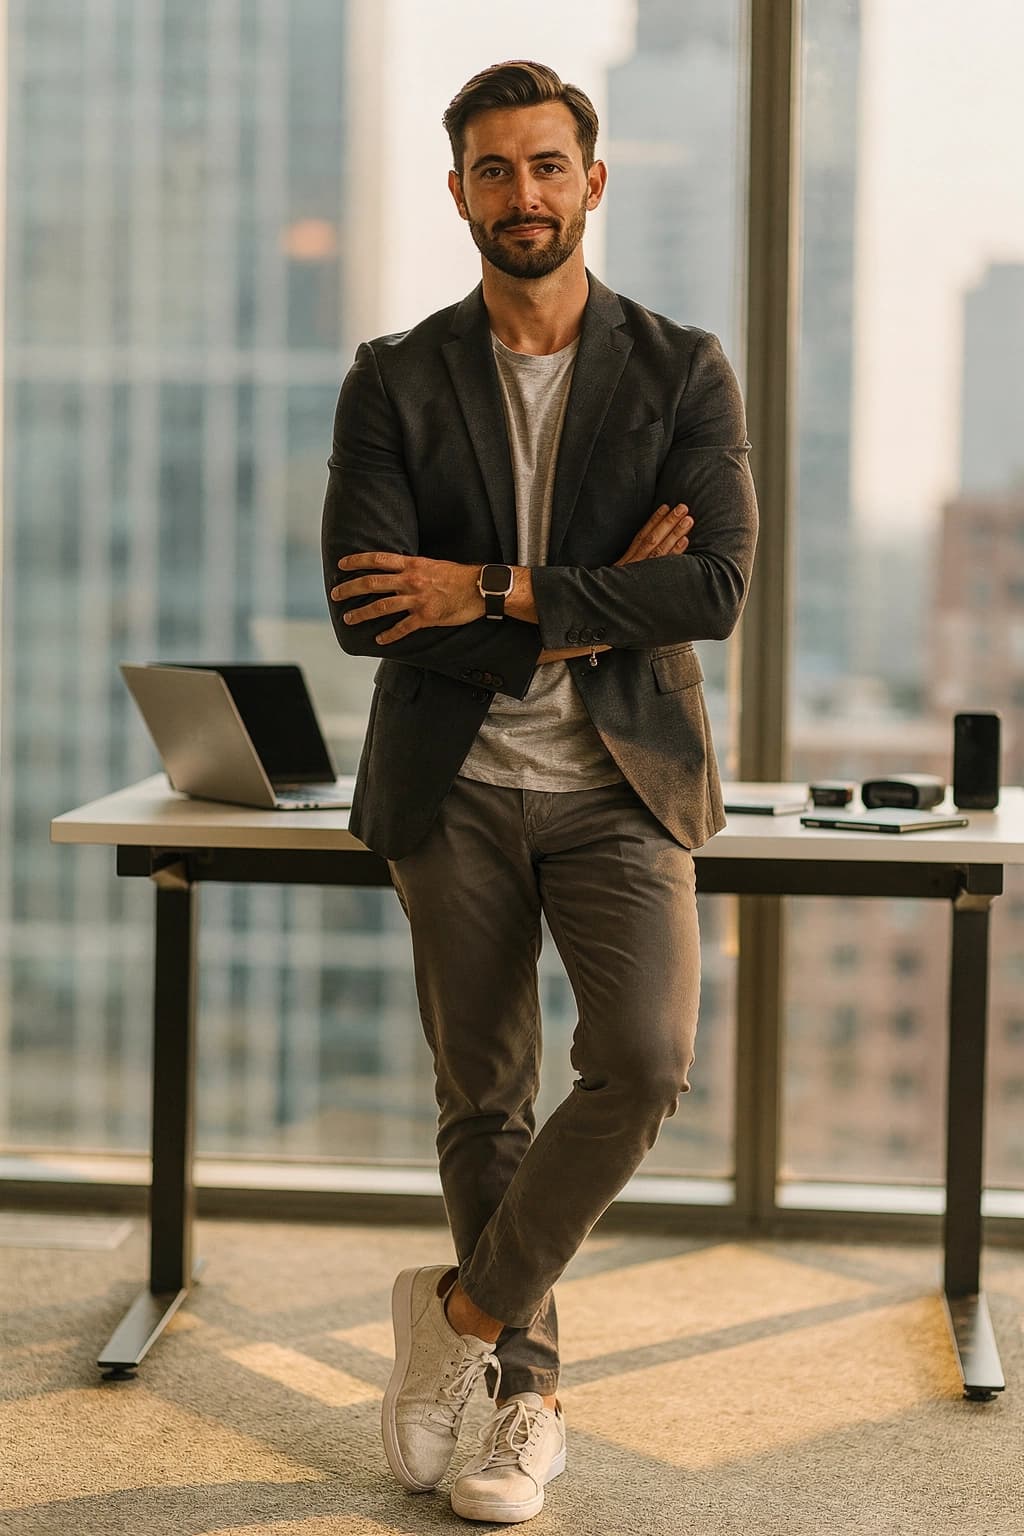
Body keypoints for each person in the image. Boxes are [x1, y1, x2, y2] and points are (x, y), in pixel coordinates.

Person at [322, 60, 758, 1526]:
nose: (524, 193)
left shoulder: (682, 365)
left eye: (547, 165)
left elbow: (713, 585)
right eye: (494, 170)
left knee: (641, 1063)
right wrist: (599, 589)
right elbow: (369, 609)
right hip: (452, 785)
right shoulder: (393, 373)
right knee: (484, 1096)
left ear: (595, 179)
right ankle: (525, 1400)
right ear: (458, 191)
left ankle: (453, 1319)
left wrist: (496, 585)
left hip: (617, 783)